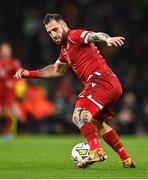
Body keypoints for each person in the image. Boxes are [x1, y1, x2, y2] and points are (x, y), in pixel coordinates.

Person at [14, 13, 136, 168]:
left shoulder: (75, 36)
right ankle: (126, 160)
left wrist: (107, 39)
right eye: (50, 32)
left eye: (56, 29)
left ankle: (96, 151)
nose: (54, 34)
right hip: (110, 84)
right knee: (98, 124)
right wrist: (28, 74)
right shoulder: (65, 50)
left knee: (79, 114)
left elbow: (93, 35)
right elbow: (56, 70)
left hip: (101, 80)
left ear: (64, 24)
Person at [0, 42, 22, 140]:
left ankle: (7, 133)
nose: (6, 51)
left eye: (7, 49)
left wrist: (13, 83)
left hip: (9, 93)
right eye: (4, 49)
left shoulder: (14, 62)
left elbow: (19, 75)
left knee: (8, 113)